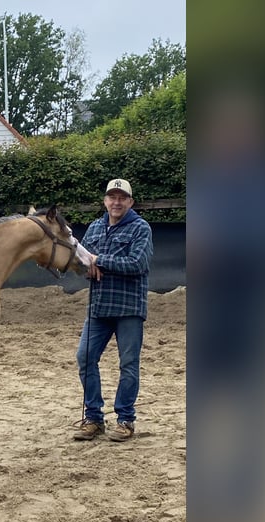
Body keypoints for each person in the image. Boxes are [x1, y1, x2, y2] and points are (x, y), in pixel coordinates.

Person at [73, 178, 153, 442]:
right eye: (112, 197)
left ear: (130, 202)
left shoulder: (141, 228)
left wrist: (99, 261)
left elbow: (137, 264)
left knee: (128, 364)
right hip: (98, 308)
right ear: (105, 200)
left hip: (129, 307)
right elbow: (82, 258)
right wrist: (89, 265)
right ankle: (94, 418)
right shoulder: (95, 228)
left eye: (122, 198)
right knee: (85, 358)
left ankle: (125, 419)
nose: (116, 202)